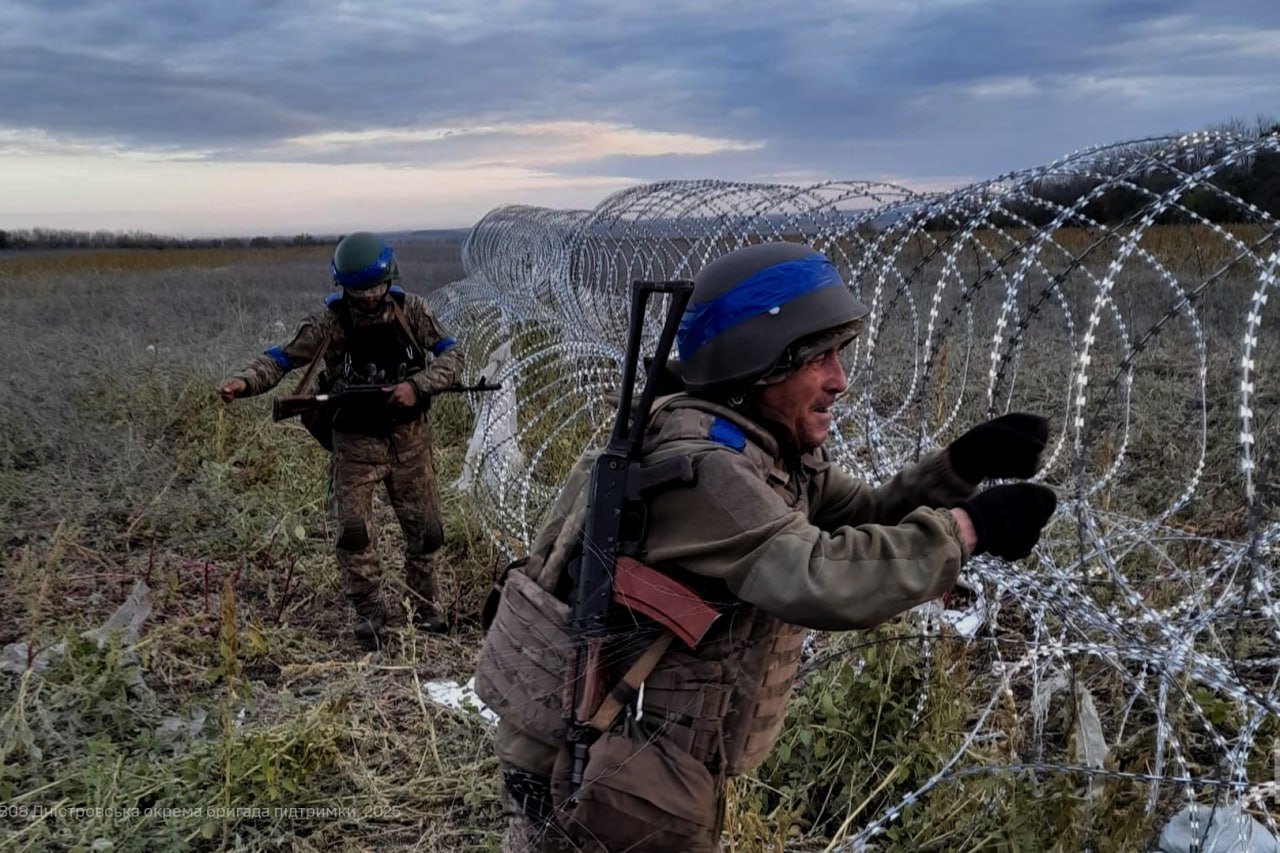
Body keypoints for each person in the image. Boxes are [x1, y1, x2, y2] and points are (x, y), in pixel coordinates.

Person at [474, 241, 1057, 852]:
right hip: (582, 761)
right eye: (819, 359)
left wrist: (957, 469)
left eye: (840, 353)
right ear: (761, 363)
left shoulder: (764, 448)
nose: (840, 380)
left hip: (639, 749)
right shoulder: (704, 467)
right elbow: (819, 578)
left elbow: (857, 516)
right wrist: (965, 530)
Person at [218, 231, 464, 648]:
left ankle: (426, 607)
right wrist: (244, 382)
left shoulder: (413, 312)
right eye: (358, 289)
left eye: (375, 287)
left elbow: (453, 355)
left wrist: (418, 386)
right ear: (343, 287)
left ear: (390, 280)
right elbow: (280, 359)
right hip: (354, 445)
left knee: (427, 532)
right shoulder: (328, 322)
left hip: (410, 444)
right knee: (354, 533)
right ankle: (369, 614)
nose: (368, 296)